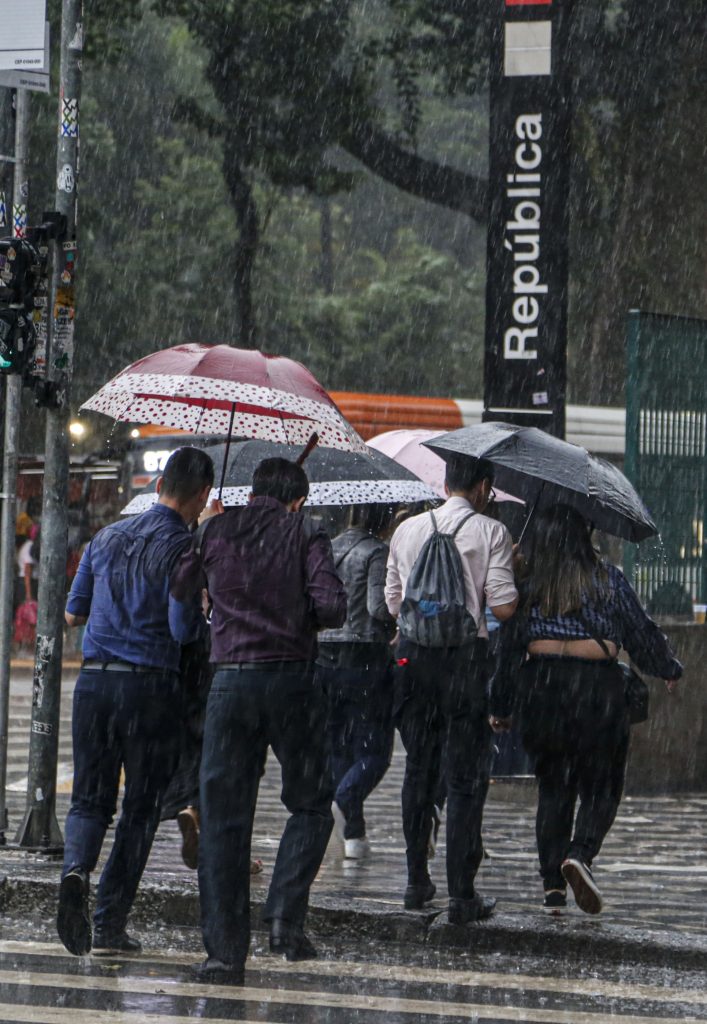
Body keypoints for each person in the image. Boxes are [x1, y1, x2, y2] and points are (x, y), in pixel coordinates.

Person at [171, 457, 346, 985]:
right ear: (297, 499)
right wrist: (294, 616)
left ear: (252, 492)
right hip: (292, 681)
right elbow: (333, 607)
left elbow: (180, 586)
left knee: (223, 820)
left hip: (231, 684)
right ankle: (283, 918)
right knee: (313, 805)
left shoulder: (218, 529)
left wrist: (204, 537)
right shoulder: (307, 531)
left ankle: (224, 956)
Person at [57, 446, 214, 957]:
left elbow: (73, 614)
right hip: (149, 688)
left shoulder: (107, 536)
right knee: (140, 810)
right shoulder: (183, 549)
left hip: (94, 684)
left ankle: (76, 871)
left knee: (89, 799)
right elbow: (180, 629)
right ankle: (107, 925)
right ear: (203, 495)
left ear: (160, 483)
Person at [489, 504, 682, 915]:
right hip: (597, 691)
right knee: (603, 784)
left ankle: (552, 887)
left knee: (554, 788)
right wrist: (667, 667)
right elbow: (639, 631)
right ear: (586, 535)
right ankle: (580, 852)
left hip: (541, 688)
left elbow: (507, 649)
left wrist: (501, 705)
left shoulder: (529, 584)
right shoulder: (607, 579)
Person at [385, 456, 518, 924]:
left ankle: (416, 880)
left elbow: (393, 601)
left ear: (444, 483)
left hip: (414, 662)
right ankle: (462, 893)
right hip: (465, 664)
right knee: (464, 778)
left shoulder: (407, 530)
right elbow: (502, 609)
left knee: (419, 769)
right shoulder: (491, 533)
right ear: (484, 487)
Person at [316, 503, 396, 859]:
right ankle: (344, 798)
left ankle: (354, 835)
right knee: (375, 751)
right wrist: (395, 622)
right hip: (364, 656)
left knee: (339, 745)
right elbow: (379, 607)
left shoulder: (327, 546)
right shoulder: (376, 551)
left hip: (323, 656)